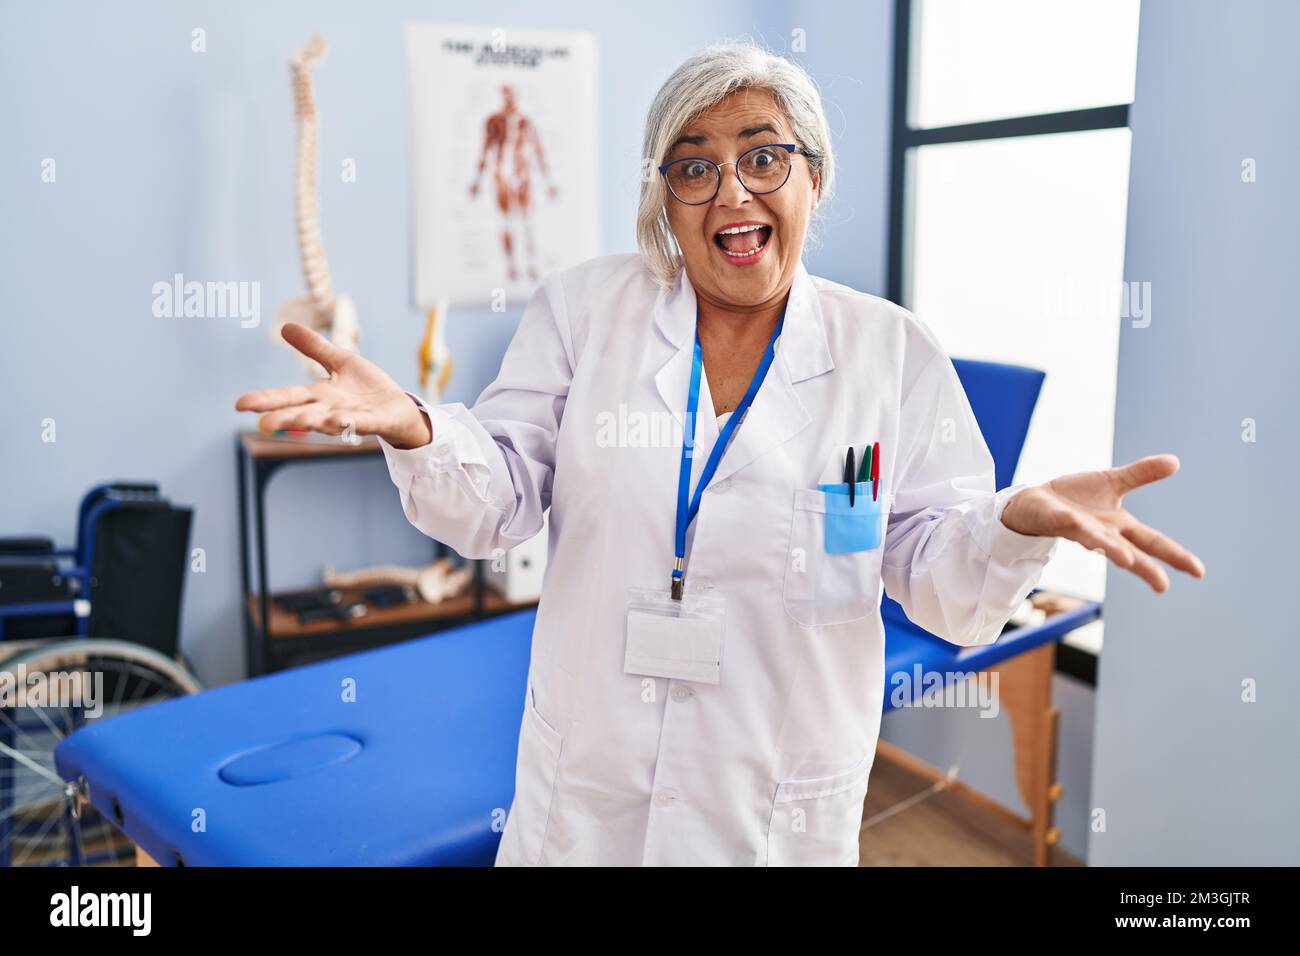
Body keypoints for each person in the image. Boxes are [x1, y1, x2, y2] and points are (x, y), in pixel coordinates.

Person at [236, 43, 1204, 866]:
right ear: (665, 200)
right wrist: (413, 420)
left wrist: (1013, 521)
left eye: (763, 157)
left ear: (812, 179)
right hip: (585, 805)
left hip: (772, 816)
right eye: (693, 166)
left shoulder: (886, 356)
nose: (730, 190)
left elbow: (937, 578)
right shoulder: (584, 312)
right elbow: (498, 499)